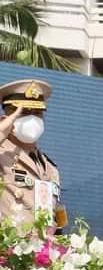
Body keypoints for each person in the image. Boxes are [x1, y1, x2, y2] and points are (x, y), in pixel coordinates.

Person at [0, 80, 62, 228]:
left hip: (42, 248)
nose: (33, 119)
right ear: (6, 119)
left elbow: (56, 219)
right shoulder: (2, 156)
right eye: (24, 113)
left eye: (38, 113)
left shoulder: (49, 167)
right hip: (8, 249)